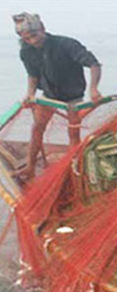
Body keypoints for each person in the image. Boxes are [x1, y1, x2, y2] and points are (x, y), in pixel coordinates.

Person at [13, 12, 102, 180]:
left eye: (35, 35)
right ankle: (30, 167)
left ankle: (71, 169)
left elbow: (93, 64)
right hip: (49, 95)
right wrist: (30, 94)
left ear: (43, 29)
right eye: (27, 39)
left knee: (73, 134)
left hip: (73, 98)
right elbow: (33, 75)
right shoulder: (26, 51)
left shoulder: (66, 44)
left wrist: (94, 89)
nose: (33, 41)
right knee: (37, 128)